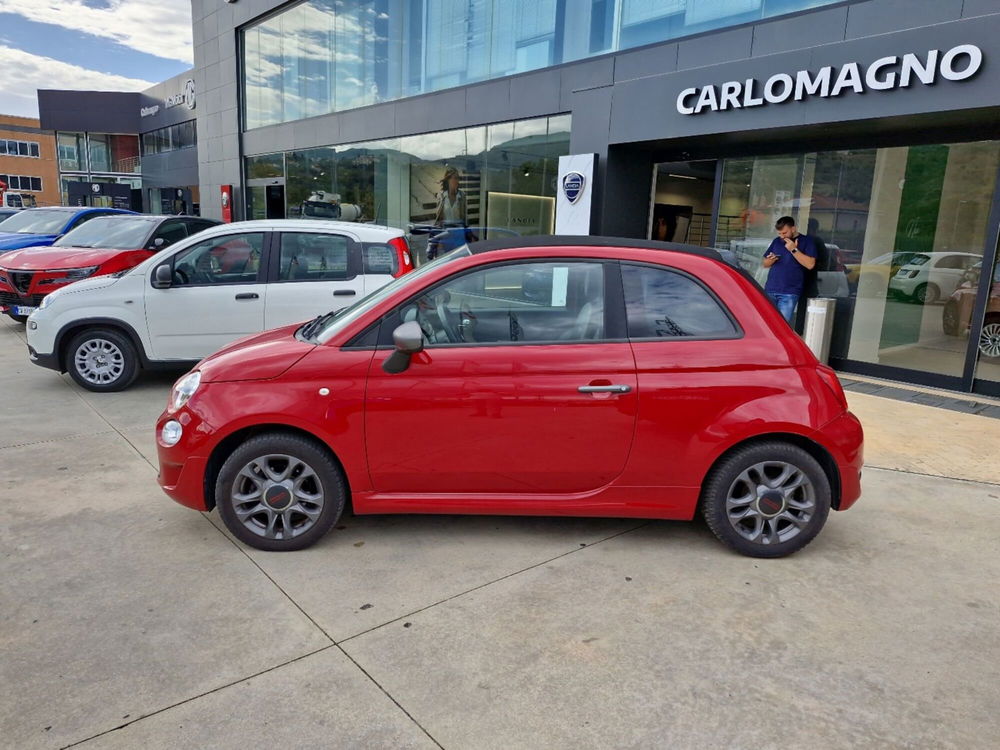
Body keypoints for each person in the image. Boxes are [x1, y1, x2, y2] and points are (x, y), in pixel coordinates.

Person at [761, 216, 816, 324]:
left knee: (782, 325)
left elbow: (810, 265)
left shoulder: (806, 241)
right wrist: (771, 260)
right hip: (770, 289)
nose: (782, 236)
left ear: (793, 228)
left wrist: (793, 249)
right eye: (779, 233)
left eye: (784, 233)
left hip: (789, 291)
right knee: (766, 324)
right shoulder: (777, 241)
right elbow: (765, 264)